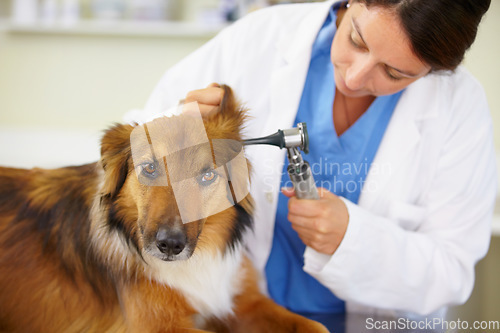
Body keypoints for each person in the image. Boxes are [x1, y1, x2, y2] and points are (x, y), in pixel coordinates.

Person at [127, 0, 495, 325]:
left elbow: (452, 272)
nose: (354, 78)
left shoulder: (459, 109)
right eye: (356, 40)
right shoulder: (259, 39)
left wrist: (352, 240)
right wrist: (181, 124)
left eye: (394, 73)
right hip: (240, 315)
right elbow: (129, 151)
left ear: (431, 72)